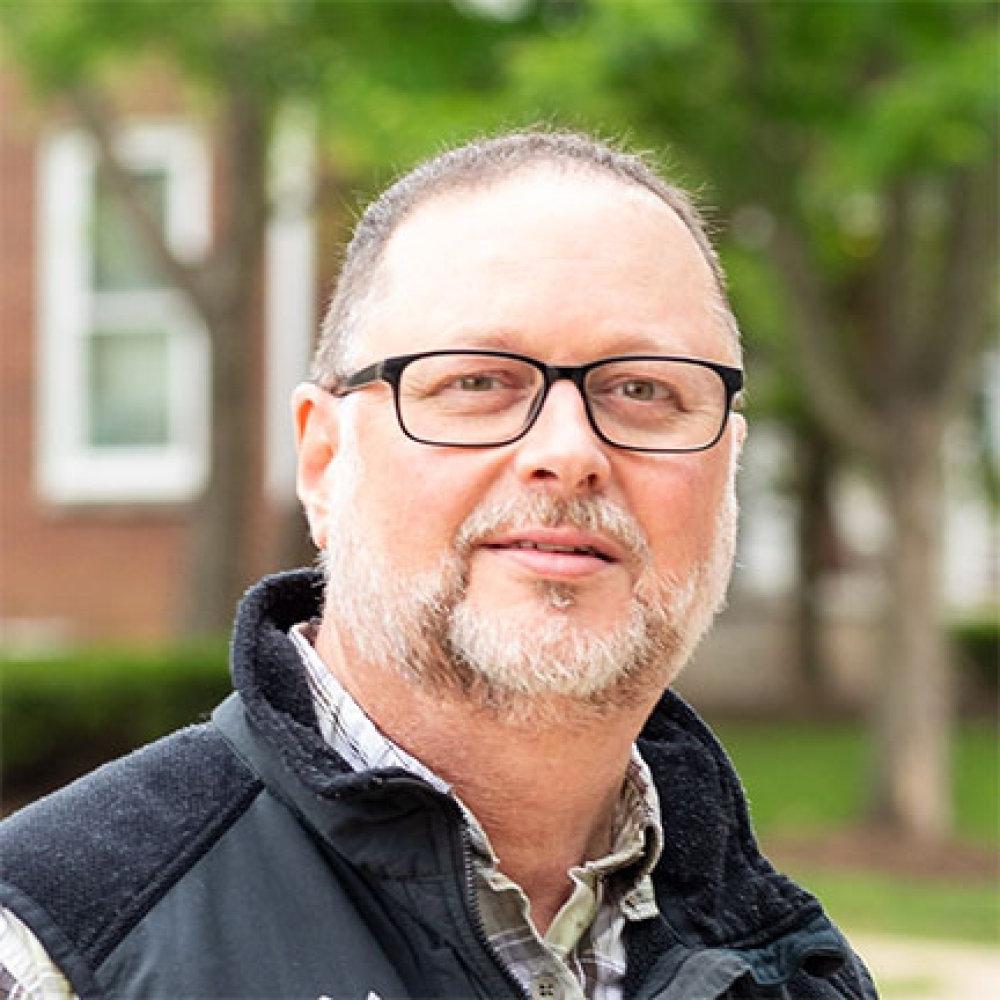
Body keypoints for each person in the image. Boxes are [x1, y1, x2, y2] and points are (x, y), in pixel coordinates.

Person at [0, 130, 877, 1000]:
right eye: (478, 382)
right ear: (323, 461)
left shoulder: (798, 972)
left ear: (728, 465)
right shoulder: (59, 952)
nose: (569, 452)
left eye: (644, 389)